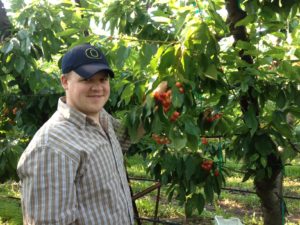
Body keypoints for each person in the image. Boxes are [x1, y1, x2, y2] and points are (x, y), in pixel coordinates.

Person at [17, 43, 136, 224]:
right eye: (87, 80)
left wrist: (156, 103)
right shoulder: (52, 146)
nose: (97, 87)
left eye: (103, 80)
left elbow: (127, 137)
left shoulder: (103, 119)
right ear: (65, 81)